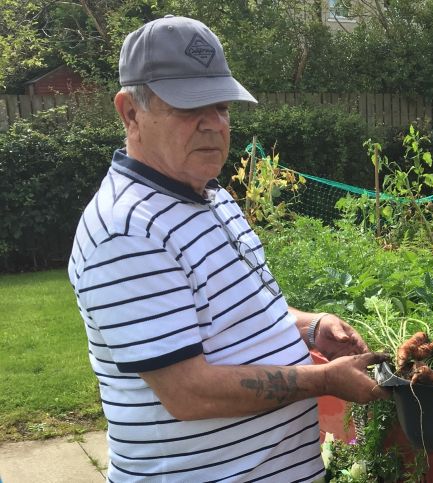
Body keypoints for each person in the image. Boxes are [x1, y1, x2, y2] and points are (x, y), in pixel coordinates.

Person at [67, 15, 389, 482]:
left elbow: (241, 315)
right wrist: (324, 380)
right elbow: (189, 392)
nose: (213, 124)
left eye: (221, 106)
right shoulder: (126, 231)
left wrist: (309, 327)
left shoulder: (210, 195)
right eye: (188, 108)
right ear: (130, 113)